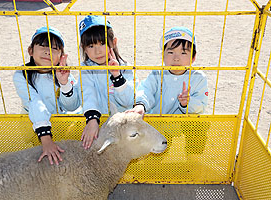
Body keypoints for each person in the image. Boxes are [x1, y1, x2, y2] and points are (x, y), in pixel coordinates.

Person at [129, 26, 209, 156]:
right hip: (159, 123)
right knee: (159, 153)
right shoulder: (157, 74)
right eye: (171, 52)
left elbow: (201, 105)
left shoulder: (198, 78)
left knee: (200, 125)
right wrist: (140, 105)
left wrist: (187, 103)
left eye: (183, 53)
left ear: (193, 58)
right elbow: (146, 89)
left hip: (184, 122)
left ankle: (193, 159)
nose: (176, 58)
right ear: (163, 56)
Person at [13, 26, 81, 165]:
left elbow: (72, 105)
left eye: (54, 48)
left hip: (60, 124)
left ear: (61, 55)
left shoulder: (64, 74)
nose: (48, 51)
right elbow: (34, 102)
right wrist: (46, 139)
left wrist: (64, 83)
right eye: (42, 45)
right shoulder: (21, 74)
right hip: (34, 126)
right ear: (30, 50)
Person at [79, 15, 136, 149]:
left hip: (123, 124)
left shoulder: (125, 67)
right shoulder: (86, 69)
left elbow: (128, 101)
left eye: (103, 43)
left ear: (114, 42)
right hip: (96, 121)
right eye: (91, 45)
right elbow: (88, 95)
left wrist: (117, 76)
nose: (98, 51)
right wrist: (92, 119)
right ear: (84, 48)